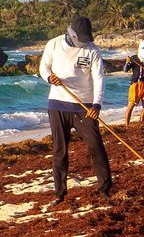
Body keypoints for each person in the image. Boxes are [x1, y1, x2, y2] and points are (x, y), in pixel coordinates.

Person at [39, 16, 112, 206]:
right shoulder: (53, 44)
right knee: (59, 151)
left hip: (84, 107)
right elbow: (43, 67)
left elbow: (99, 79)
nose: (83, 43)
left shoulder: (92, 50)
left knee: (96, 146)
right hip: (58, 104)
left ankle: (104, 189)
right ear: (70, 33)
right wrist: (49, 78)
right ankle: (59, 194)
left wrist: (97, 105)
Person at [123, 39, 144, 128]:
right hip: (135, 85)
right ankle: (127, 126)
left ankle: (142, 123)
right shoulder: (134, 58)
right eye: (143, 48)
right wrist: (127, 62)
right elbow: (125, 70)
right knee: (131, 105)